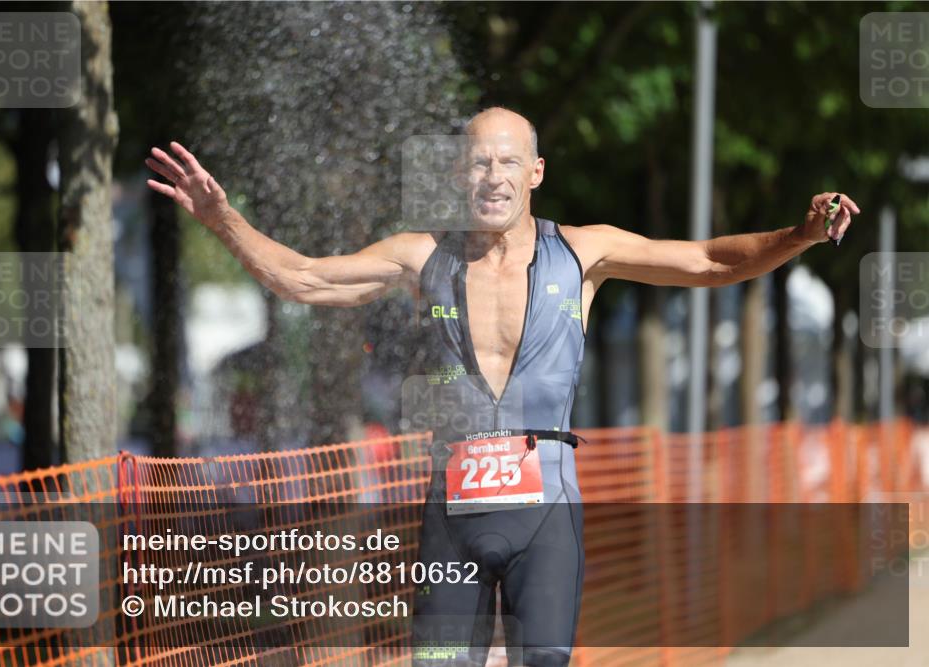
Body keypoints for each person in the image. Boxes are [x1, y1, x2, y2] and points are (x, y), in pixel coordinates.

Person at [145, 107, 860, 666]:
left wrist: (797, 232)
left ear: (536, 172)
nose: (493, 175)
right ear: (459, 174)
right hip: (451, 516)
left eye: (508, 161)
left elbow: (707, 260)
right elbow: (301, 277)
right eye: (478, 161)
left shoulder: (582, 254)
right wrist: (223, 219)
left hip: (546, 516)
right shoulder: (420, 257)